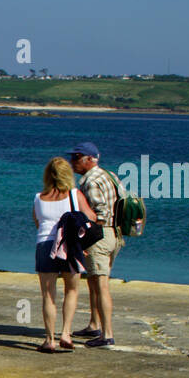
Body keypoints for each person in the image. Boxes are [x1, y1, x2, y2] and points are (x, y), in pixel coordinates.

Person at [33, 157, 97, 353]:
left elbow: (38, 222)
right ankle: (66, 334)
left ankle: (49, 339)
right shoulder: (74, 195)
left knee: (48, 294)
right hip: (69, 246)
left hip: (44, 245)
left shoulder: (39, 197)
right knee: (71, 290)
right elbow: (91, 217)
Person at [69, 142, 120, 347]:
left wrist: (86, 238)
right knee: (93, 281)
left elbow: (100, 213)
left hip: (100, 236)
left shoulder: (90, 182)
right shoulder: (110, 175)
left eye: (77, 158)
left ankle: (107, 334)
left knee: (101, 283)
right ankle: (94, 324)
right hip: (114, 234)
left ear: (90, 159)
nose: (73, 162)